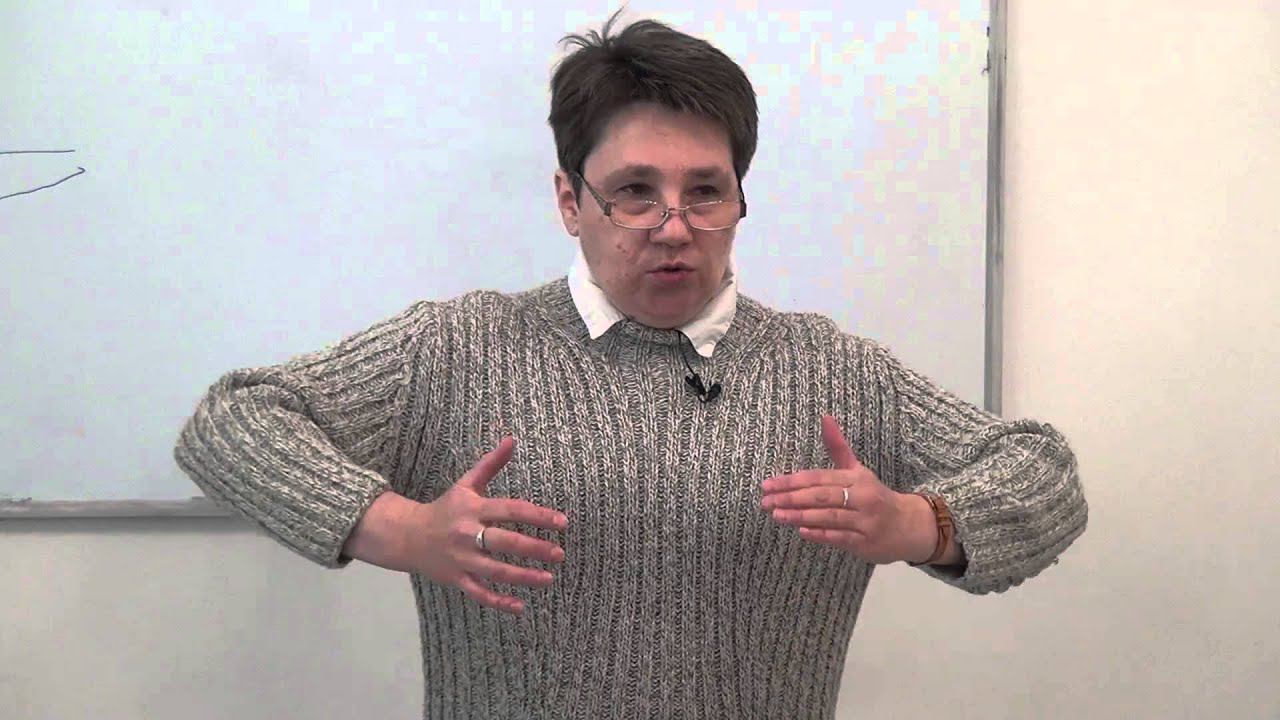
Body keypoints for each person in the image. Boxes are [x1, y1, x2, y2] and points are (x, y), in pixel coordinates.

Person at [174, 11, 1088, 719]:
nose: (674, 226)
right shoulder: (456, 348)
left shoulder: (836, 373)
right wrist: (401, 531)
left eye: (706, 191)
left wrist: (920, 523)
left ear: (741, 198)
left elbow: (1043, 473)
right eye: (634, 193)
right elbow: (230, 422)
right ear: (570, 201)